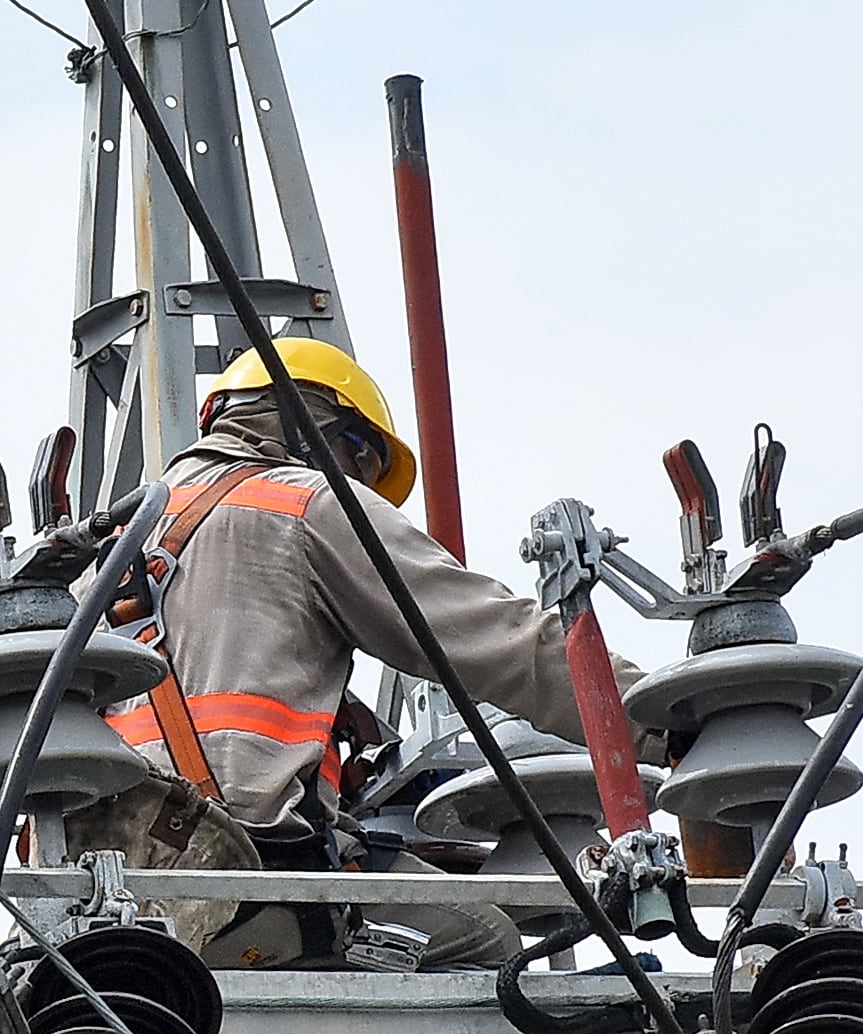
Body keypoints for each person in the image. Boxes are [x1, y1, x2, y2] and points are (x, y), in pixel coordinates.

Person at [82, 337, 615, 970]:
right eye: (361, 461)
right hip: (246, 883)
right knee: (486, 939)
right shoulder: (305, 503)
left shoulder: (108, 546)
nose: (361, 483)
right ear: (318, 431)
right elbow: (497, 640)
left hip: (99, 894)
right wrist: (663, 720)